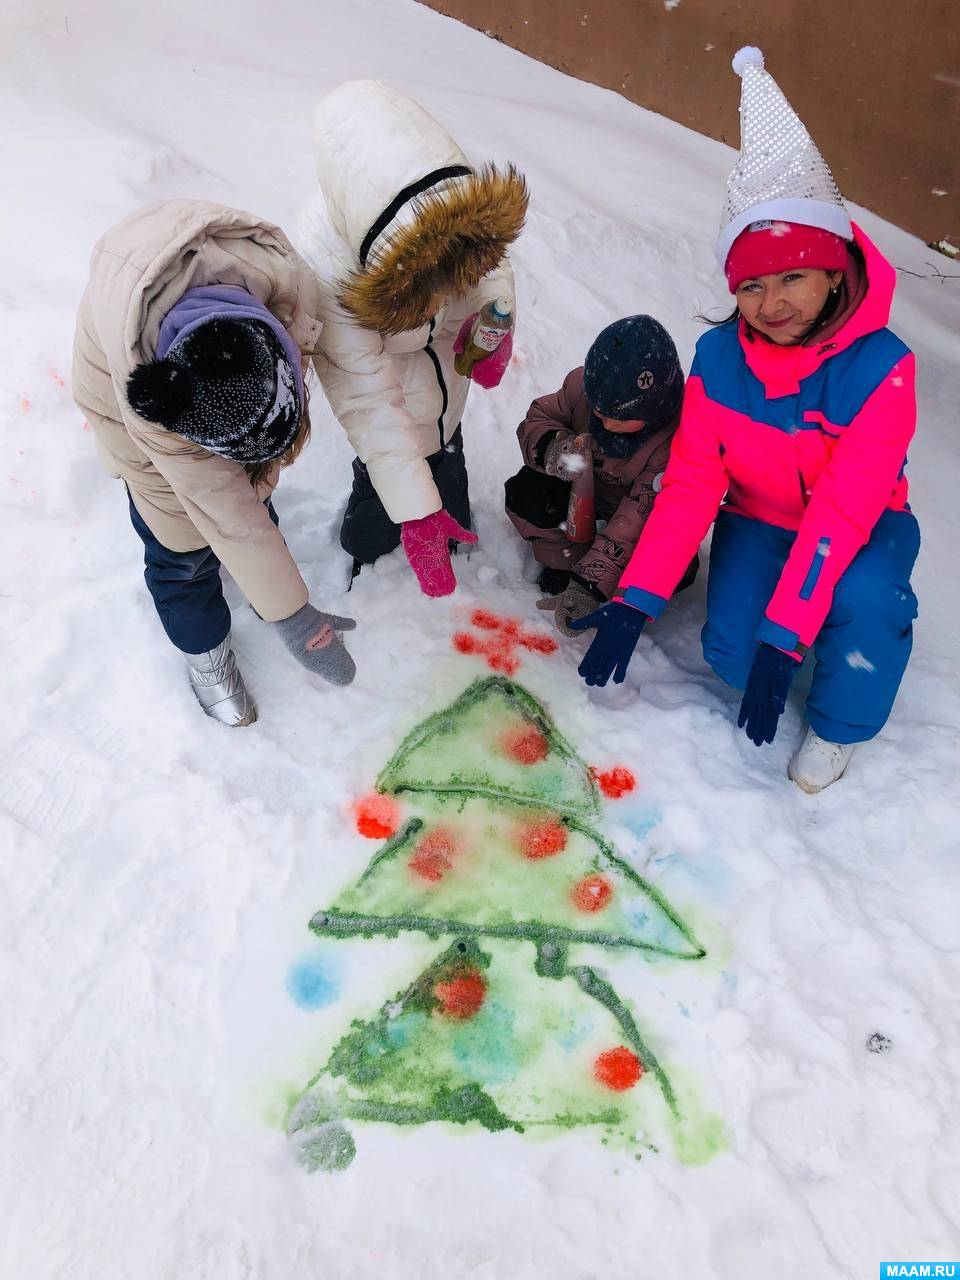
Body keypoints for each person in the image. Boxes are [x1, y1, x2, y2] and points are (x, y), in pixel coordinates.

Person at [571, 48, 920, 794]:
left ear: (835, 270)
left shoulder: (881, 368)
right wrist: (636, 600)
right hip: (760, 519)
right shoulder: (718, 358)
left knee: (863, 601)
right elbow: (692, 485)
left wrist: (790, 633)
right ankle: (791, 638)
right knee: (732, 655)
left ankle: (841, 719)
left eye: (794, 276)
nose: (773, 302)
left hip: (859, 527)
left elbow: (841, 509)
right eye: (753, 285)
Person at [72, 199, 358, 728]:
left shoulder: (277, 283)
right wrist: (295, 618)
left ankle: (256, 572)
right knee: (181, 548)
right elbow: (226, 511)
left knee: (249, 508)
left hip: (166, 297)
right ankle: (205, 654)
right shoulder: (164, 418)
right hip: (137, 428)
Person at [295, 80, 528, 597]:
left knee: (448, 464)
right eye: (429, 278)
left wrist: (493, 317)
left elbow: (489, 263)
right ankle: (368, 546)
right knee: (381, 511)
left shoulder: (453, 207)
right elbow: (369, 404)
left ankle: (445, 501)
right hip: (393, 406)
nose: (448, 287)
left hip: (449, 396)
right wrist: (415, 513)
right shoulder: (330, 273)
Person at [505, 315, 697, 634]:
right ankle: (566, 560)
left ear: (654, 408)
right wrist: (554, 448)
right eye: (598, 411)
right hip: (585, 490)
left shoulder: (675, 439)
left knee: (671, 561)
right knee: (529, 495)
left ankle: (604, 584)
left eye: (620, 418)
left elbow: (637, 517)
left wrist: (589, 585)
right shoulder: (581, 387)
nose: (606, 423)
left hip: (640, 505)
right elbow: (539, 417)